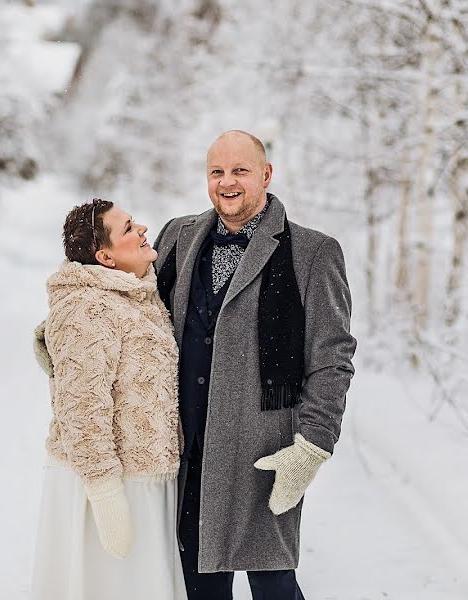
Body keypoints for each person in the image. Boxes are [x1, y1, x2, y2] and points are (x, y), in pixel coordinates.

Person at [152, 130, 357, 600]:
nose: (228, 182)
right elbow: (131, 310)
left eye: (240, 171)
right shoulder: (177, 238)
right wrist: (72, 328)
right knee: (196, 582)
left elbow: (332, 359)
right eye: (217, 172)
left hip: (262, 452)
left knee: (273, 584)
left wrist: (312, 446)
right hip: (186, 447)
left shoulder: (312, 253)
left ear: (266, 174)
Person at [31, 198, 187, 600]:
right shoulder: (87, 306)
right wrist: (105, 493)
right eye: (129, 228)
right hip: (105, 486)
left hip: (147, 478)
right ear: (106, 257)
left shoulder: (138, 294)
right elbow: (81, 409)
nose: (142, 230)